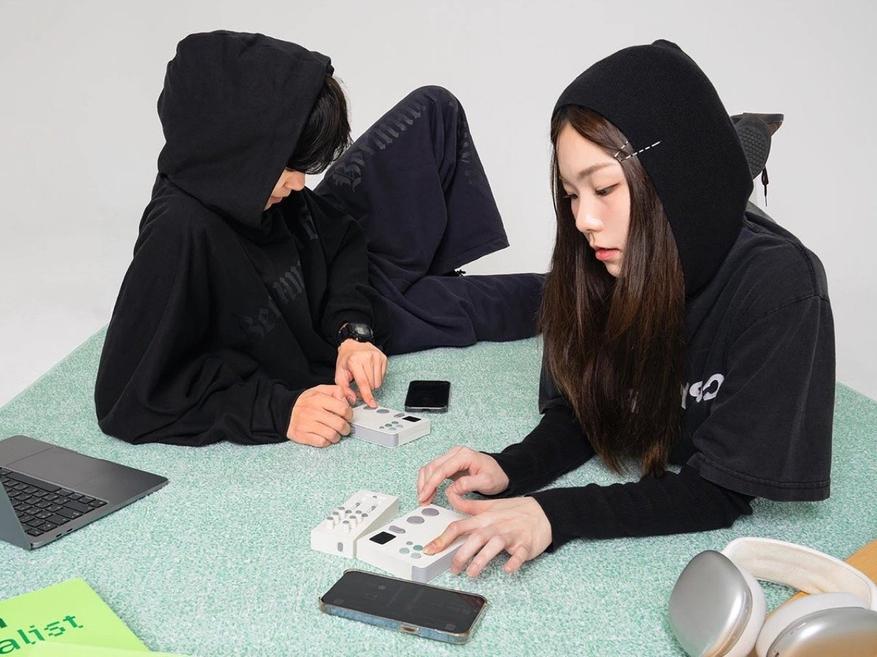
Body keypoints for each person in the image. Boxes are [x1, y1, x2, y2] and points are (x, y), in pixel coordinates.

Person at [416, 40, 835, 578]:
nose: (583, 221)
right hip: (677, 211)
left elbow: (719, 489)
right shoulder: (598, 259)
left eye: (604, 187)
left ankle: (745, 138)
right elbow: (586, 411)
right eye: (571, 194)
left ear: (671, 181)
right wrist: (512, 468)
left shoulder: (783, 288)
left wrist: (553, 515)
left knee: (726, 186)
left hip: (714, 222)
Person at [94, 31, 543, 447]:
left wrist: (353, 332)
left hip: (347, 299)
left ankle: (426, 279)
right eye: (289, 167)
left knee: (434, 107)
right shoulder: (179, 231)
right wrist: (281, 412)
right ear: (236, 150)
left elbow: (342, 237)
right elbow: (126, 400)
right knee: (526, 299)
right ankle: (448, 290)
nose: (298, 184)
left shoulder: (256, 187)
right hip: (360, 313)